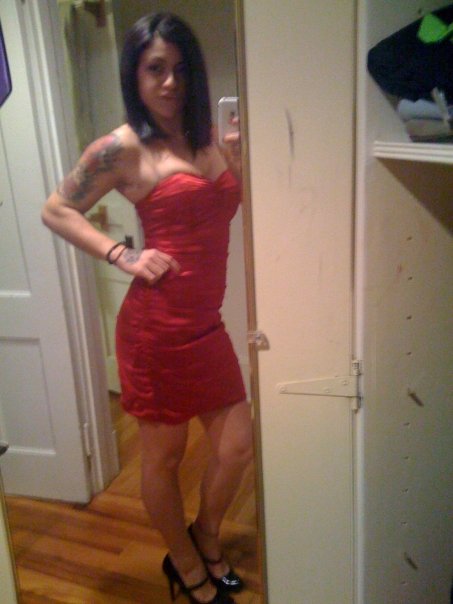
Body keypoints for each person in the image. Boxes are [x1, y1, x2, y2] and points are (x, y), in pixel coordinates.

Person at [42, 12, 253, 604]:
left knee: (236, 445)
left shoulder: (209, 138)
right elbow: (56, 209)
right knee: (164, 458)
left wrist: (238, 160)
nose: (170, 82)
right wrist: (121, 253)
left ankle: (205, 536)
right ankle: (184, 564)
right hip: (154, 332)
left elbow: (228, 207)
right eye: (155, 69)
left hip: (206, 326)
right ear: (133, 75)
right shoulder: (121, 148)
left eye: (181, 69)